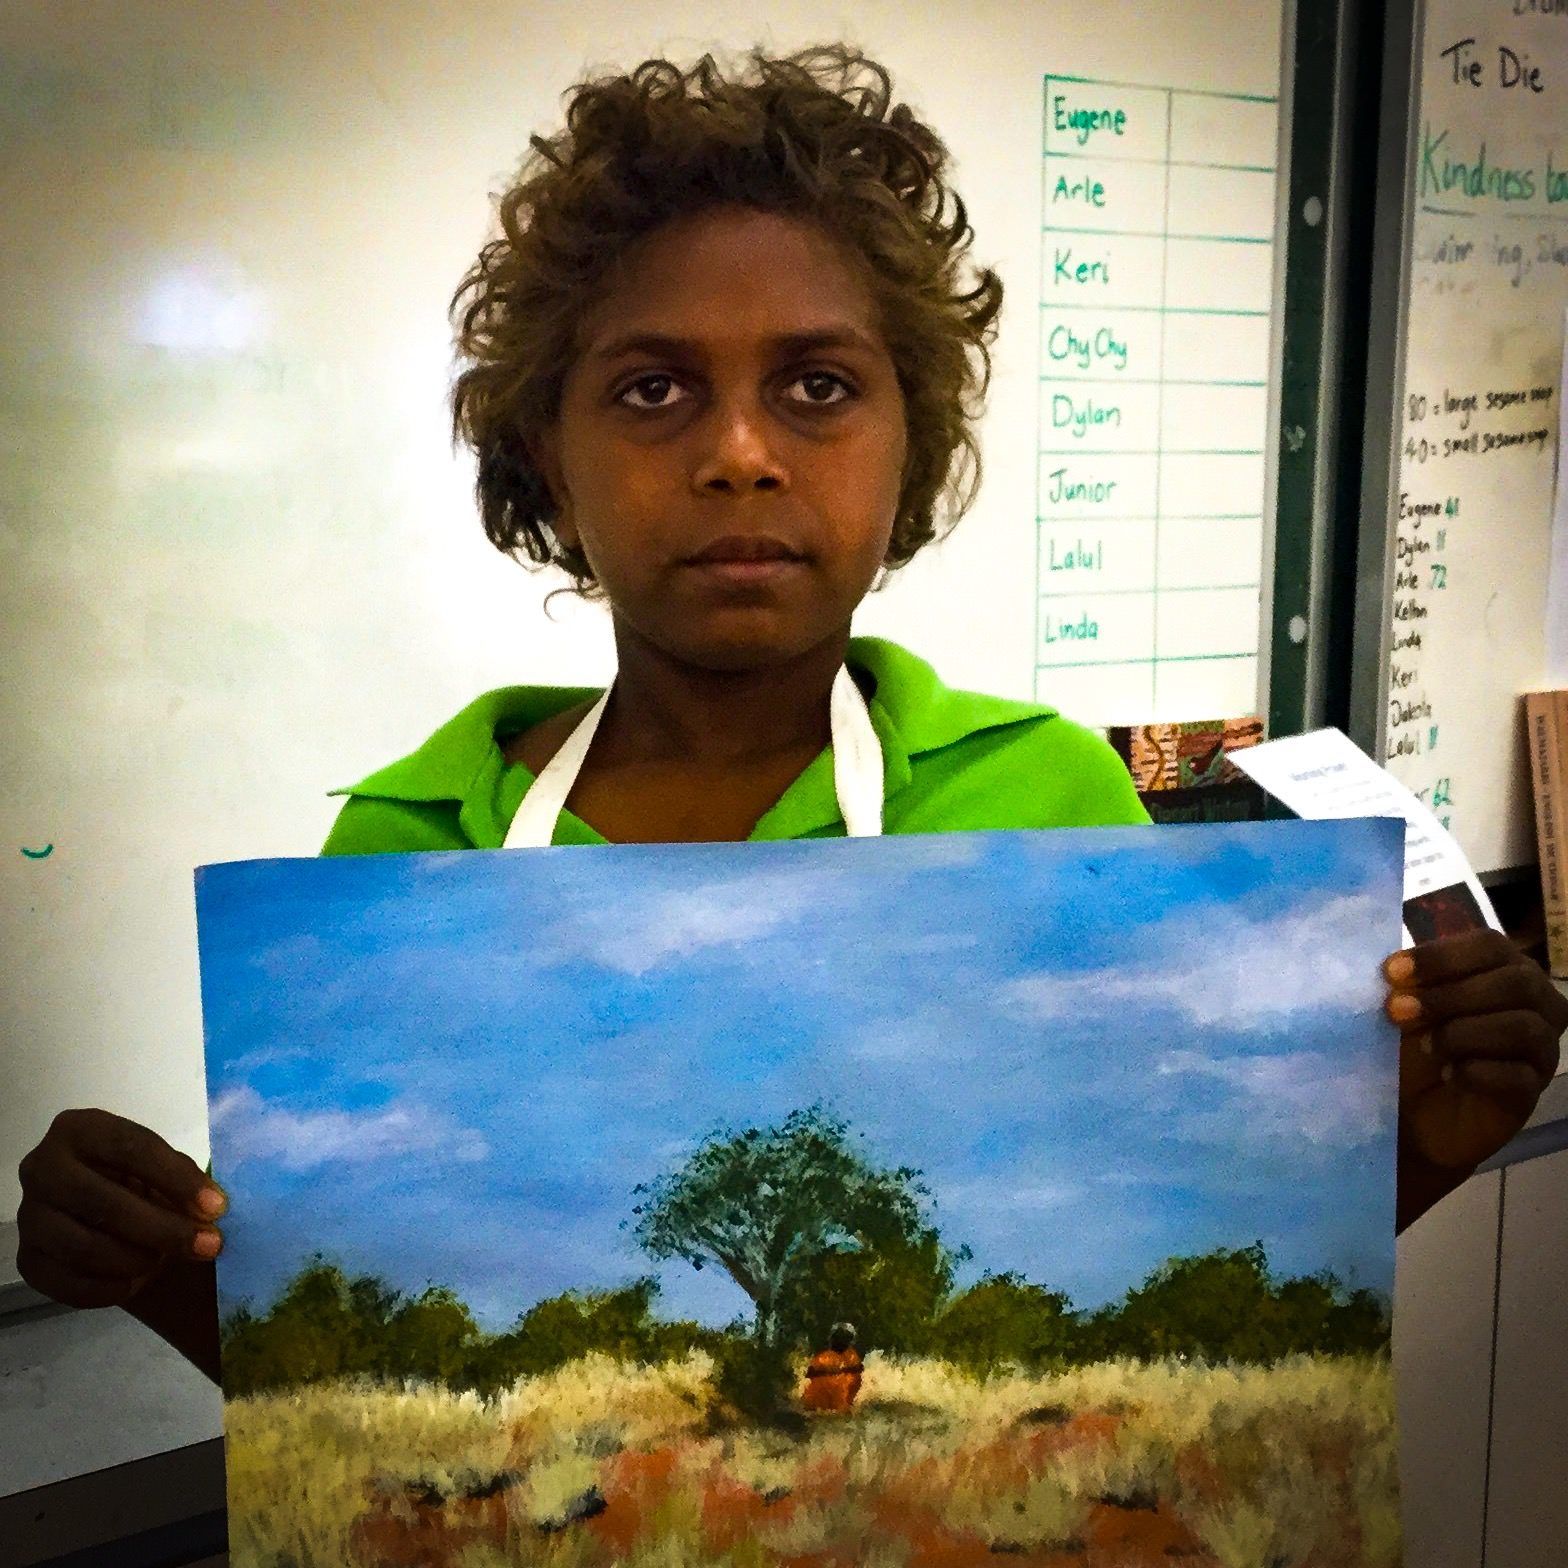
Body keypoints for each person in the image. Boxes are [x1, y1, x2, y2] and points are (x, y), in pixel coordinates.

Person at [15, 45, 1566, 1387]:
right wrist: (145, 1258)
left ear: (911, 445)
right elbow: (350, 1391)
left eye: (817, 387)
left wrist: (1431, 1142)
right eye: (652, 390)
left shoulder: (1044, 803)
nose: (742, 451)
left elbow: (1176, 1294)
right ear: (546, 457)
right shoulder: (407, 847)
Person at [802, 1322, 864, 1413]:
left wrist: (842, 1370)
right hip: (819, 1402)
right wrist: (829, 1371)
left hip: (837, 1402)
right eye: (839, 1338)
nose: (841, 1341)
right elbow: (810, 1373)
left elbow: (859, 1369)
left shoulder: (851, 1356)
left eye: (844, 1338)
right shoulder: (823, 1357)